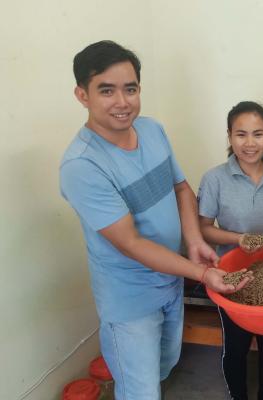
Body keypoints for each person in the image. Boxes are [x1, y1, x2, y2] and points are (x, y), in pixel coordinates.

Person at [60, 40, 249, 400]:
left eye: (130, 89)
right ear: (82, 95)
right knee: (140, 391)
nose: (122, 102)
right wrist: (203, 273)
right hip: (130, 299)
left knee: (165, 364)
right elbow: (130, 243)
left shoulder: (151, 130)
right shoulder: (82, 166)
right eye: (107, 90)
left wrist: (194, 240)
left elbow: (180, 188)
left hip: (171, 282)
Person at [197, 101, 263, 400]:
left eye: (258, 134)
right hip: (231, 275)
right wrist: (240, 239)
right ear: (229, 136)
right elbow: (204, 228)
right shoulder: (215, 178)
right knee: (236, 346)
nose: (250, 143)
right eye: (241, 134)